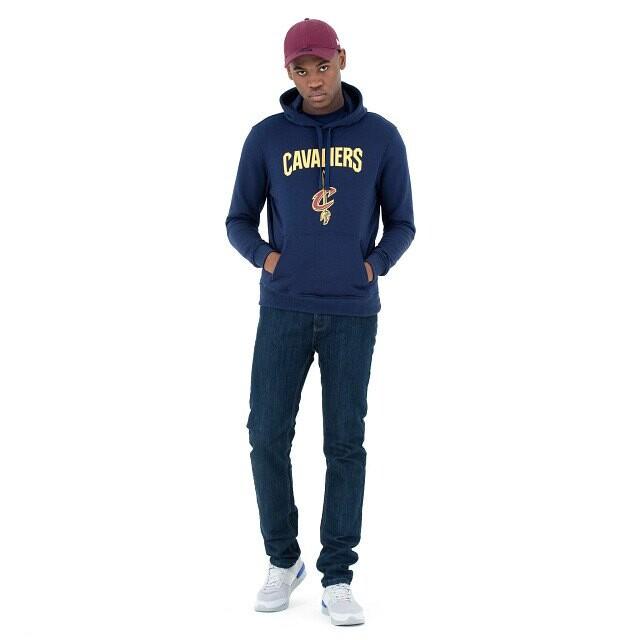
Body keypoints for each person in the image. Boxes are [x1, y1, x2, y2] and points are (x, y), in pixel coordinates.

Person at [225, 17, 416, 626]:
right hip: (283, 308)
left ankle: (338, 574)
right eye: (301, 69)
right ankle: (284, 561)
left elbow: (403, 222)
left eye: (323, 66)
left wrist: (373, 266)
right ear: (288, 72)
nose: (314, 79)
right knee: (266, 435)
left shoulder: (381, 137)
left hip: (352, 313)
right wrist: (269, 259)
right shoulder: (267, 137)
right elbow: (237, 220)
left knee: (344, 443)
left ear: (342, 60)